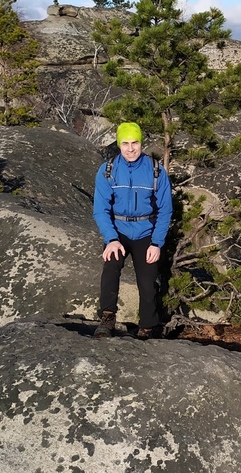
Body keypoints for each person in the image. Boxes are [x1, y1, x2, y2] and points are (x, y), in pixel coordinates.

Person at [91, 122, 173, 339]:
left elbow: (165, 210)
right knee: (110, 270)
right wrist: (111, 239)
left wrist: (156, 243)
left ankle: (147, 327)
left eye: (134, 142)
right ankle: (107, 319)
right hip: (118, 232)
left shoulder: (155, 171)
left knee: (147, 282)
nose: (130, 148)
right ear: (119, 144)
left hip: (146, 232)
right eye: (125, 143)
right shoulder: (107, 170)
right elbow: (100, 209)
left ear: (141, 143)